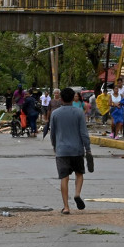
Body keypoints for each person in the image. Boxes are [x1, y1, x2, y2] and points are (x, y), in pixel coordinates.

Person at [49, 87, 92, 215]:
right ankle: (77, 194)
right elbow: (84, 133)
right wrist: (88, 149)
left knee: (64, 178)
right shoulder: (79, 113)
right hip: (77, 150)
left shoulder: (55, 114)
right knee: (79, 174)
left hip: (62, 150)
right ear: (73, 98)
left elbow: (53, 133)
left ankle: (66, 207)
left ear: (61, 98)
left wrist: (55, 146)